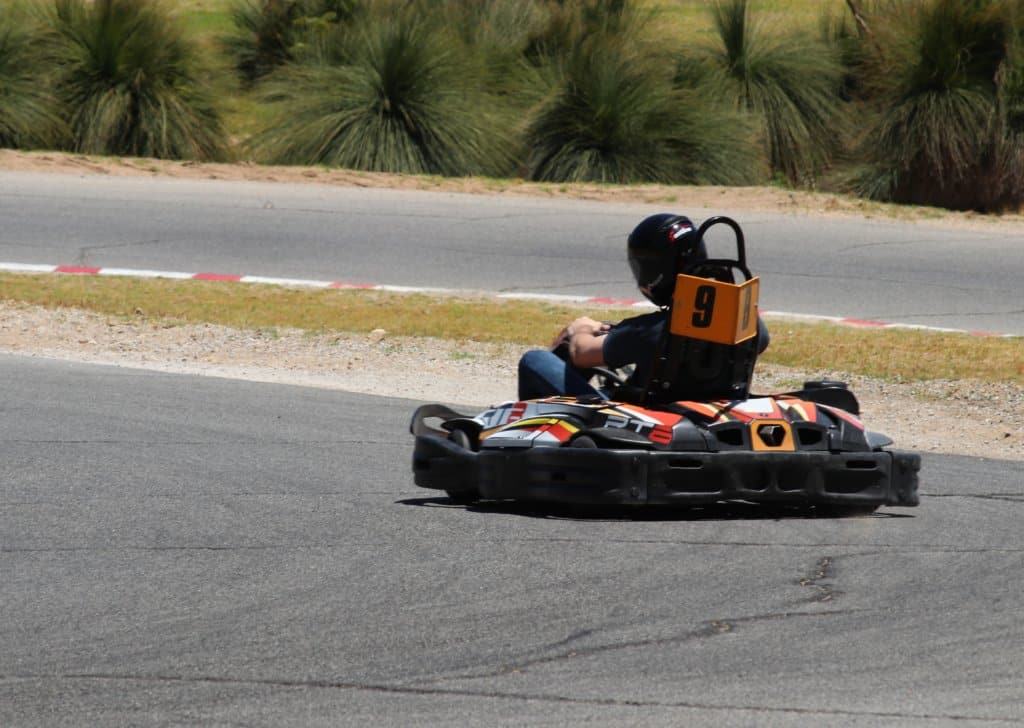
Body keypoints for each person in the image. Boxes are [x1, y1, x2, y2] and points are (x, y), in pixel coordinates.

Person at [517, 213, 770, 401]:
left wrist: (580, 329)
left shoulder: (652, 332)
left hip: (648, 421)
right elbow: (758, 344)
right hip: (715, 414)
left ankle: (527, 444)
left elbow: (582, 353)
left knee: (534, 360)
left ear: (656, 272)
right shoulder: (749, 324)